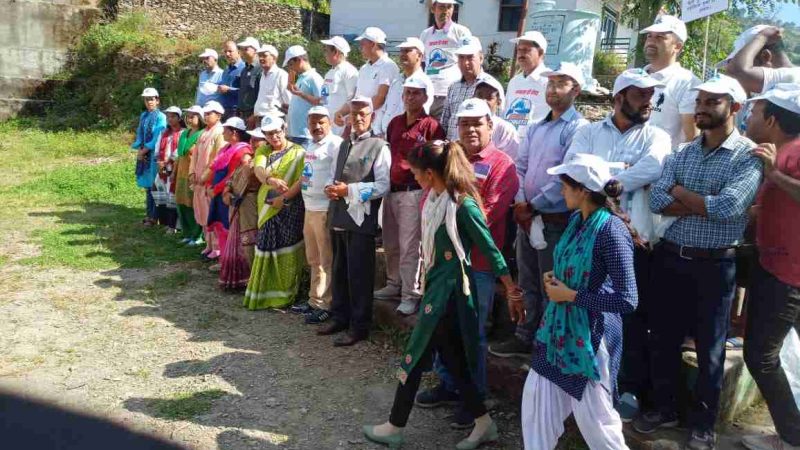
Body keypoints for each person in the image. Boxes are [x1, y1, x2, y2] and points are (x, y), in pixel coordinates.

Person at [363, 140, 524, 450]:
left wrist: (511, 289)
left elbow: (490, 248)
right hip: (437, 287)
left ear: (428, 173)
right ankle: (484, 423)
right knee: (453, 360)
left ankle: (394, 426)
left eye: (416, 173)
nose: (416, 179)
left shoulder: (463, 205)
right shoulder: (436, 200)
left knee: (414, 354)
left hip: (449, 294)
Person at [639, 74, 763, 450]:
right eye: (702, 101)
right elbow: (657, 199)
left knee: (710, 347)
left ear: (735, 108)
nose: (703, 108)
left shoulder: (748, 156)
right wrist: (697, 198)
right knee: (664, 337)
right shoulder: (684, 152)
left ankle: (703, 423)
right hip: (672, 258)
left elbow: (728, 208)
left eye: (714, 101)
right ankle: (664, 408)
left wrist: (680, 192)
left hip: (715, 265)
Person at [563, 68, 671, 420]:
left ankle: (627, 389)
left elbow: (654, 167)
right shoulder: (589, 131)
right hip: (589, 238)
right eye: (640, 94)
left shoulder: (656, 135)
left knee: (632, 316)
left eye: (650, 94)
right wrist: (621, 173)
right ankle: (586, 385)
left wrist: (612, 179)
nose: (647, 101)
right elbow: (574, 167)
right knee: (587, 310)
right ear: (619, 97)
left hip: (634, 242)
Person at [521, 153, 638, 450]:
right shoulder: (577, 221)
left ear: (583, 190)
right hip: (559, 331)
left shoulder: (611, 231)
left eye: (565, 185)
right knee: (536, 402)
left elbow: (628, 299)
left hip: (589, 338)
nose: (561, 191)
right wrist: (556, 277)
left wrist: (572, 295)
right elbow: (573, 265)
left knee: (598, 422)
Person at [416, 98, 518, 429]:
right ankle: (450, 385)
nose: (471, 129)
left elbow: (487, 212)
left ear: (491, 126)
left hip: (479, 267)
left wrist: (451, 222)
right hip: (445, 265)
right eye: (464, 123)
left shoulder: (503, 165)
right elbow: (430, 197)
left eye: (478, 123)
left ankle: (474, 397)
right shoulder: (447, 160)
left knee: (472, 332)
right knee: (446, 328)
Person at [490, 62, 589, 359]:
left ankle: (547, 343)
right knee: (528, 277)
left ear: (576, 90)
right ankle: (524, 334)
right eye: (551, 83)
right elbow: (520, 166)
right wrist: (521, 202)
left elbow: (567, 175)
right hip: (527, 216)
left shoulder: (578, 128)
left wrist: (532, 205)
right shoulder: (536, 126)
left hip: (554, 218)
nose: (553, 89)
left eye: (561, 83)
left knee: (552, 281)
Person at [739, 84, 800, 450]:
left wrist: (773, 173)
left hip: (787, 274)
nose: (749, 117)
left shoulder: (790, 154)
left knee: (760, 355)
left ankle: (793, 436)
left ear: (773, 119)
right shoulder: (780, 152)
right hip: (773, 264)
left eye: (755, 111)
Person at [317, 96, 391, 347]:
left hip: (361, 219)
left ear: (372, 116)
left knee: (359, 274)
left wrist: (349, 191)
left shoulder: (379, 146)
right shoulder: (343, 145)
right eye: (354, 113)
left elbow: (383, 185)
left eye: (363, 114)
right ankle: (340, 316)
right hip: (338, 214)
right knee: (339, 269)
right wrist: (330, 187)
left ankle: (359, 326)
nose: (358, 118)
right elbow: (332, 174)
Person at [375, 76, 445, 315]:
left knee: (410, 246)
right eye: (407, 93)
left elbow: (437, 159)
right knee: (391, 242)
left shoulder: (431, 125)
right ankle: (394, 283)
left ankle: (410, 293)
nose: (410, 97)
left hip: (414, 191)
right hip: (391, 190)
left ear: (426, 96)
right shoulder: (394, 122)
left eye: (416, 93)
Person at [242, 114, 306, 310]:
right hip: (267, 206)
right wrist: (270, 180)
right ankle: (264, 292)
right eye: (269, 134)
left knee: (288, 247)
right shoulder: (263, 150)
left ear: (284, 129)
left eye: (277, 132)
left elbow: (302, 179)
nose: (274, 137)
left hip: (290, 206)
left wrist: (284, 198)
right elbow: (259, 170)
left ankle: (286, 293)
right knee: (266, 246)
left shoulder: (299, 152)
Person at [292, 106, 343, 324]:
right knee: (313, 258)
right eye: (313, 122)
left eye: (321, 121)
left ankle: (326, 303)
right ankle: (314, 300)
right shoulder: (311, 144)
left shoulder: (335, 144)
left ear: (329, 122)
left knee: (326, 259)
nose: (317, 126)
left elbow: (338, 174)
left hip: (324, 209)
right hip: (309, 206)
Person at [639, 14, 700, 149]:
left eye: (660, 37)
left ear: (677, 46)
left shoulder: (688, 83)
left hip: (663, 166)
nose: (651, 41)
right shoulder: (636, 77)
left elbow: (692, 138)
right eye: (649, 36)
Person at [206, 117, 252, 273]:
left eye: (225, 130)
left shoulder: (242, 151)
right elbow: (215, 169)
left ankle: (232, 263)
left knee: (228, 228)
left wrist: (217, 189)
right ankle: (223, 260)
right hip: (217, 193)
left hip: (226, 193)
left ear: (234, 132)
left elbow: (232, 176)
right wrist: (209, 185)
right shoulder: (225, 149)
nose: (223, 132)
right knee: (220, 227)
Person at [333, 27, 399, 136]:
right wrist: (340, 112)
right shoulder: (364, 68)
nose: (360, 48)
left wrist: (356, 113)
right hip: (359, 124)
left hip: (375, 128)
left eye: (363, 44)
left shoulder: (388, 66)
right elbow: (356, 97)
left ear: (373, 44)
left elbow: (379, 99)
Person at [440, 36, 504, 141]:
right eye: (461, 57)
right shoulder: (453, 87)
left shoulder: (491, 87)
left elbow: (497, 125)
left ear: (481, 58)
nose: (465, 63)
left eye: (470, 57)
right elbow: (445, 121)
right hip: (454, 150)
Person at [419, 0, 472, 119]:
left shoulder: (461, 31)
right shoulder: (425, 34)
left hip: (450, 92)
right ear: (433, 9)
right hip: (429, 93)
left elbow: (470, 60)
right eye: (442, 7)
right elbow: (422, 63)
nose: (446, 11)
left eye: (449, 7)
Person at [376, 37, 434, 137]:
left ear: (419, 56)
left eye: (407, 51)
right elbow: (385, 108)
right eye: (401, 51)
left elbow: (420, 115)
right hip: (384, 136)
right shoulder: (396, 80)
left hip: (403, 138)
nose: (403, 54)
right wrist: (377, 130)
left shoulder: (424, 83)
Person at [190, 101, 226, 262]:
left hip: (209, 180)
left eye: (209, 113)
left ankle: (217, 247)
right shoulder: (203, 132)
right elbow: (195, 155)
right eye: (205, 113)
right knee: (202, 212)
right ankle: (208, 244)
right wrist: (192, 172)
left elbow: (218, 158)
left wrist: (206, 175)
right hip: (198, 180)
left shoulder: (220, 132)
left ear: (218, 115)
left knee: (212, 214)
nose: (206, 116)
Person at [724, 25, 799, 95]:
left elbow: (736, 72)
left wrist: (762, 37)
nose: (726, 68)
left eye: (749, 63)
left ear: (765, 56)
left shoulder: (791, 77)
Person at [504, 31, 550, 137]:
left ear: (541, 53)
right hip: (512, 142)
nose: (521, 54)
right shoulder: (514, 81)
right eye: (519, 50)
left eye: (526, 50)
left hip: (537, 142)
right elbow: (506, 113)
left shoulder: (548, 80)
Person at [132, 88, 166, 227]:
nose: (149, 102)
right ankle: (149, 215)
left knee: (154, 185)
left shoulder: (161, 117)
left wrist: (145, 149)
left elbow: (159, 135)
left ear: (157, 100)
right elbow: (140, 133)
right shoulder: (144, 116)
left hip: (154, 154)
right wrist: (140, 147)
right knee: (147, 186)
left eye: (152, 99)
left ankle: (155, 217)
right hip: (145, 153)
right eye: (147, 99)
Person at [174, 105, 205, 245]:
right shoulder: (184, 133)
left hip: (193, 174)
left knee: (193, 204)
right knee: (181, 203)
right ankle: (186, 232)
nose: (189, 118)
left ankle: (197, 235)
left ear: (200, 118)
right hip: (181, 172)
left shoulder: (202, 134)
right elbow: (179, 155)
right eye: (187, 116)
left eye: (193, 116)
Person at [152, 106, 184, 231]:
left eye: (173, 116)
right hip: (163, 167)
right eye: (168, 116)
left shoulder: (183, 133)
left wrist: (169, 161)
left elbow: (179, 151)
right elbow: (157, 148)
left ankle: (175, 225)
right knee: (160, 190)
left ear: (179, 118)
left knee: (172, 193)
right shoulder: (164, 133)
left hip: (175, 168)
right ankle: (166, 222)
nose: (170, 119)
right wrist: (160, 162)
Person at [285, 45, 324, 147]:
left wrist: (301, 94)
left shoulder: (314, 78)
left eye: (291, 64)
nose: (290, 68)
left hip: (306, 134)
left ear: (299, 60)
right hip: (295, 133)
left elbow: (322, 101)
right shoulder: (301, 78)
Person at [319, 36, 359, 136]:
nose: (324, 54)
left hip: (341, 127)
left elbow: (353, 99)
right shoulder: (329, 73)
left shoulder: (349, 71)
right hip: (328, 125)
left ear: (336, 52)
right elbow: (324, 98)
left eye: (326, 51)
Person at [474, 78, 519, 160]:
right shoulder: (465, 123)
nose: (483, 101)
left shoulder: (505, 129)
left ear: (498, 102)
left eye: (489, 98)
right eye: (479, 96)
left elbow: (510, 162)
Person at [253, 44, 290, 125]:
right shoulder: (262, 75)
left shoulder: (281, 74)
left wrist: (288, 122)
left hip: (274, 119)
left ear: (274, 58)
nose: (261, 58)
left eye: (264, 56)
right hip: (260, 118)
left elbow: (287, 99)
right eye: (259, 56)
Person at [236, 37, 262, 128]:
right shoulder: (244, 70)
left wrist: (255, 115)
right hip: (242, 114)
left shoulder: (261, 69)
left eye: (246, 49)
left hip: (254, 115)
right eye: (241, 49)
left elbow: (263, 94)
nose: (243, 51)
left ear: (255, 50)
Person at [217, 40, 245, 119]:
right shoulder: (226, 70)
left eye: (230, 51)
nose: (227, 54)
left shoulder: (244, 68)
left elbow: (246, 92)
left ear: (238, 52)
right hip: (223, 110)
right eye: (225, 51)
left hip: (236, 111)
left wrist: (229, 89)